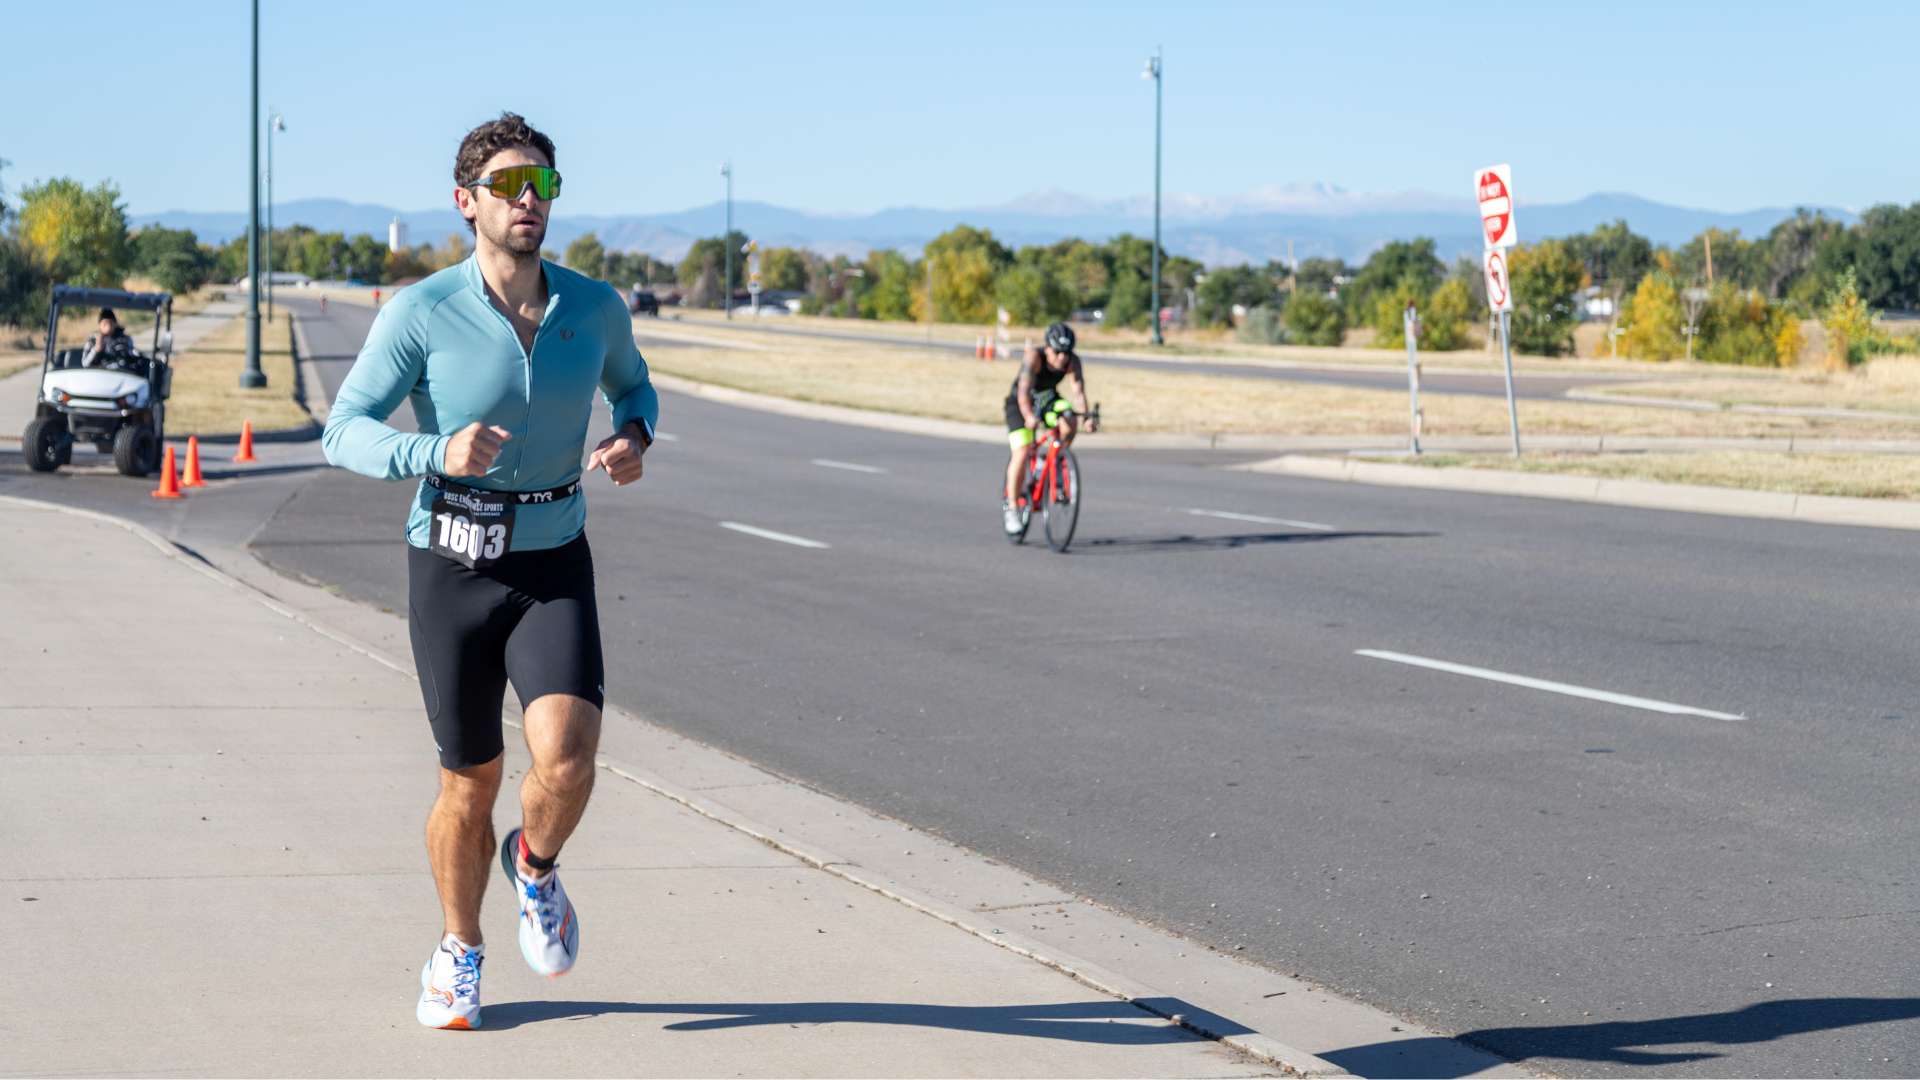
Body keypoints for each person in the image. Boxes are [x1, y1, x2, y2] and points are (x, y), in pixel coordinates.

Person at [320, 112, 658, 1031]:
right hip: (453, 564)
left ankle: (537, 867)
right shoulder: (421, 311)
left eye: (541, 185)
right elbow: (342, 428)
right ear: (466, 202)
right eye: (508, 186)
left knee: (570, 758)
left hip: (553, 557)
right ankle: (459, 952)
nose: (527, 201)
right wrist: (433, 450)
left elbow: (634, 386)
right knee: (467, 783)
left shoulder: (594, 307)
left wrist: (633, 436)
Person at [1003, 321, 1097, 534]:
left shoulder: (1072, 362)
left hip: (1047, 399)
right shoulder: (1034, 357)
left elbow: (1078, 392)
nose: (1062, 357)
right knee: (1023, 450)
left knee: (1069, 418)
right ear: (1047, 348)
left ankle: (1056, 456)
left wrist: (1086, 417)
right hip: (1021, 403)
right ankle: (1012, 507)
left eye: (1066, 352)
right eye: (1057, 352)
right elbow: (1023, 392)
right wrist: (1028, 416)